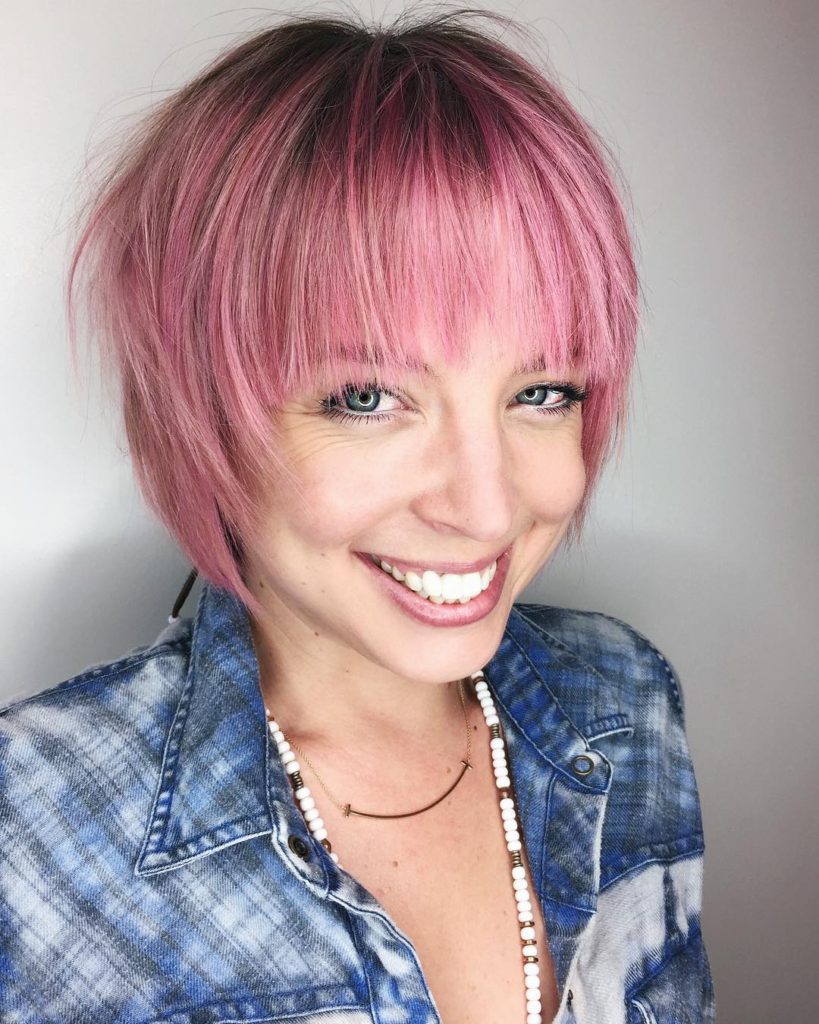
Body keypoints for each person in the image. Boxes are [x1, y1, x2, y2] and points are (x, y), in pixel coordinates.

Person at [0, 8, 715, 1023]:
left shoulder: (630, 705)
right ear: (200, 409)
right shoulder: (31, 835)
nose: (486, 503)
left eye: (544, 390)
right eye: (367, 397)